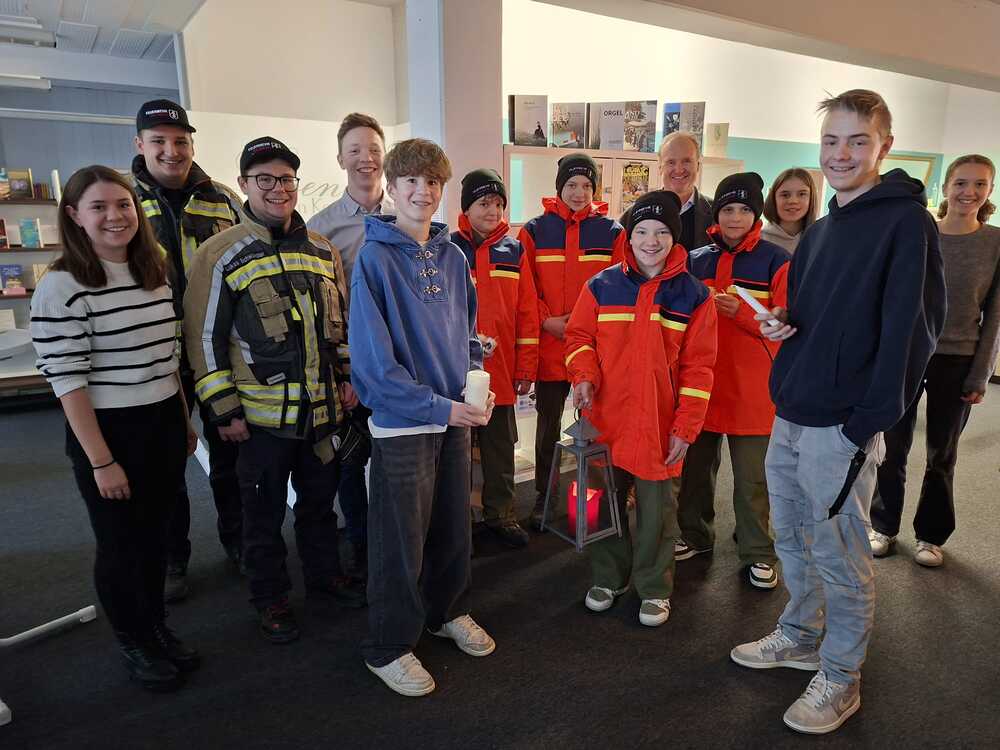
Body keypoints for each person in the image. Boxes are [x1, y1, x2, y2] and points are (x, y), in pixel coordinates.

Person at [730, 90, 946, 735]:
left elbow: (914, 331)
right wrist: (781, 324)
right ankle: (801, 635)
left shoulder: (906, 224)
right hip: (793, 410)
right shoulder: (821, 231)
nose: (841, 154)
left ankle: (842, 676)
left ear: (884, 145)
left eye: (857, 141)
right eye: (831, 141)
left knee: (840, 554)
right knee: (793, 538)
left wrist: (866, 422)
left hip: (843, 422)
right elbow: (812, 316)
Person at [183, 137, 363, 644]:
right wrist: (223, 410)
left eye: (286, 179)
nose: (277, 188)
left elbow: (340, 325)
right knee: (261, 517)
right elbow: (202, 338)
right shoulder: (220, 253)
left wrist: (347, 378)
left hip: (322, 412)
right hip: (259, 421)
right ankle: (271, 599)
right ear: (244, 184)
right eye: (265, 178)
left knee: (319, 505)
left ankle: (325, 578)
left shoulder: (323, 250)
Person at [30, 165, 200, 691]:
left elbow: (168, 357)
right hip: (108, 431)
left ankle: (156, 627)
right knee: (121, 544)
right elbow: (67, 383)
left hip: (161, 420)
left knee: (156, 537)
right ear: (74, 216)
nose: (114, 216)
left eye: (123, 205)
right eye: (99, 207)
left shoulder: (154, 268)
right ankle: (134, 640)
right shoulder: (61, 285)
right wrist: (102, 461)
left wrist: (182, 422)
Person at [350, 138, 496, 697]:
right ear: (391, 187)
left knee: (453, 527)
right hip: (405, 424)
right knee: (400, 541)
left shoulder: (454, 257)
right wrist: (441, 406)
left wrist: (476, 383)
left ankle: (446, 611)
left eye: (432, 181)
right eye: (410, 180)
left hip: (454, 418)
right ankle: (388, 644)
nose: (422, 191)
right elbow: (373, 368)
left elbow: (467, 335)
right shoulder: (374, 259)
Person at [565, 190, 717, 627]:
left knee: (658, 513)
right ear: (629, 237)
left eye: (662, 232)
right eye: (643, 231)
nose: (651, 241)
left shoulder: (696, 296)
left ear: (675, 237)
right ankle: (608, 576)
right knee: (600, 503)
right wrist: (584, 375)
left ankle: (654, 587)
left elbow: (700, 368)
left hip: (659, 424)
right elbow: (578, 338)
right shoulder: (600, 286)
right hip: (604, 417)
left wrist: (685, 427)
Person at [131, 98, 244, 601]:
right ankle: (173, 556)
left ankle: (238, 542)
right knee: (166, 461)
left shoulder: (223, 200)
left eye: (180, 141)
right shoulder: (124, 201)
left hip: (215, 350)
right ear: (140, 144)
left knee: (230, 453)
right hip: (155, 354)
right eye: (158, 141)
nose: (171, 151)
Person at [870, 154, 1000, 566]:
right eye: (961, 183)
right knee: (892, 447)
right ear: (945, 188)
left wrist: (980, 374)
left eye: (979, 184)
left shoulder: (995, 242)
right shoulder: (921, 232)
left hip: (958, 359)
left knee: (942, 454)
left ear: (990, 191)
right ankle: (883, 526)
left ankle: (930, 536)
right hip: (908, 354)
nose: (969, 192)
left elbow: (995, 316)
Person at [676, 172, 790, 590]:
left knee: (752, 479)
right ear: (716, 213)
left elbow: (787, 327)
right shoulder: (695, 259)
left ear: (756, 214)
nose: (735, 217)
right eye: (727, 209)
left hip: (753, 390)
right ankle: (694, 535)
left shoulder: (777, 260)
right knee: (695, 473)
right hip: (701, 387)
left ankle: (758, 550)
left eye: (744, 209)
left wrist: (741, 314)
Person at [307, 112, 394, 579]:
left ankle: (398, 544)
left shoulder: (407, 214)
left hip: (402, 364)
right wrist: (347, 373)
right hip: (353, 367)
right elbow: (323, 313)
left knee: (396, 461)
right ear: (340, 159)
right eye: (355, 150)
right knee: (351, 462)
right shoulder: (321, 228)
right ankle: (361, 548)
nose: (366, 159)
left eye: (374, 149)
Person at [519, 153, 626, 528]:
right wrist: (546, 320)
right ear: (559, 187)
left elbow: (619, 287)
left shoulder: (613, 233)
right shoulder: (534, 231)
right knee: (548, 426)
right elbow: (525, 286)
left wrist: (585, 325)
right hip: (550, 345)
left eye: (586, 185)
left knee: (600, 422)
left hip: (594, 347)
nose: (579, 192)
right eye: (571, 185)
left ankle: (607, 492)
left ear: (595, 189)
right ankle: (543, 496)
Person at [451, 169, 539, 547]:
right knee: (456, 452)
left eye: (499, 204)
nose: (493, 211)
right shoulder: (448, 248)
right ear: (466, 208)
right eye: (484, 203)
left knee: (500, 449)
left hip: (501, 371)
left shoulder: (515, 251)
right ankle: (457, 522)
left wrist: (526, 367)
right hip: (456, 373)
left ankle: (501, 515)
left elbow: (527, 313)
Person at [621, 131, 714, 252]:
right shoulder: (632, 214)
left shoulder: (717, 214)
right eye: (671, 162)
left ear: (698, 166)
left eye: (686, 161)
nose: (679, 170)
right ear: (660, 168)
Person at [761, 168, 819, 252]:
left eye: (802, 194)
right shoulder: (758, 240)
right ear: (773, 199)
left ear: (811, 198)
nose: (793, 201)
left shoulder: (820, 240)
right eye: (785, 195)